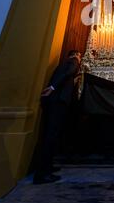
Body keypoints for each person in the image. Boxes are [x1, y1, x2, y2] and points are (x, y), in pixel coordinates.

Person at [33, 50, 82, 184]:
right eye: (80, 56)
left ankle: (47, 167)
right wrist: (53, 88)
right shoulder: (73, 62)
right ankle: (42, 174)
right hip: (58, 101)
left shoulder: (62, 64)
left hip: (53, 101)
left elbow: (65, 77)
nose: (80, 59)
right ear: (77, 55)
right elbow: (69, 72)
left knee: (51, 135)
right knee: (51, 136)